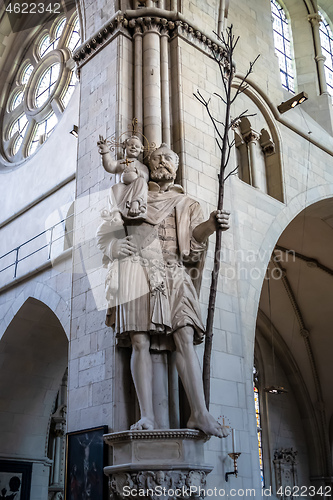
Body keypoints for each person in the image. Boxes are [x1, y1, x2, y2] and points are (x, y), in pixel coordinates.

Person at [97, 144, 230, 437]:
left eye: (168, 158)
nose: (162, 162)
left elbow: (194, 245)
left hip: (172, 271)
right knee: (139, 341)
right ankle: (148, 417)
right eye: (156, 158)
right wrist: (117, 246)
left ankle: (199, 412)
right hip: (135, 269)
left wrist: (210, 224)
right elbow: (103, 236)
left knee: (185, 333)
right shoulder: (128, 194)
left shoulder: (187, 203)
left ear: (177, 165)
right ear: (147, 162)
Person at [97, 135, 149, 219]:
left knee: (141, 181)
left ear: (141, 150)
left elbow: (146, 177)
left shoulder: (141, 166)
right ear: (125, 146)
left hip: (135, 188)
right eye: (130, 145)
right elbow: (109, 165)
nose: (133, 147)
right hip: (122, 187)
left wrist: (136, 171)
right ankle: (115, 212)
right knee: (115, 187)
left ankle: (135, 203)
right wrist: (105, 152)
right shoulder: (119, 163)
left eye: (137, 146)